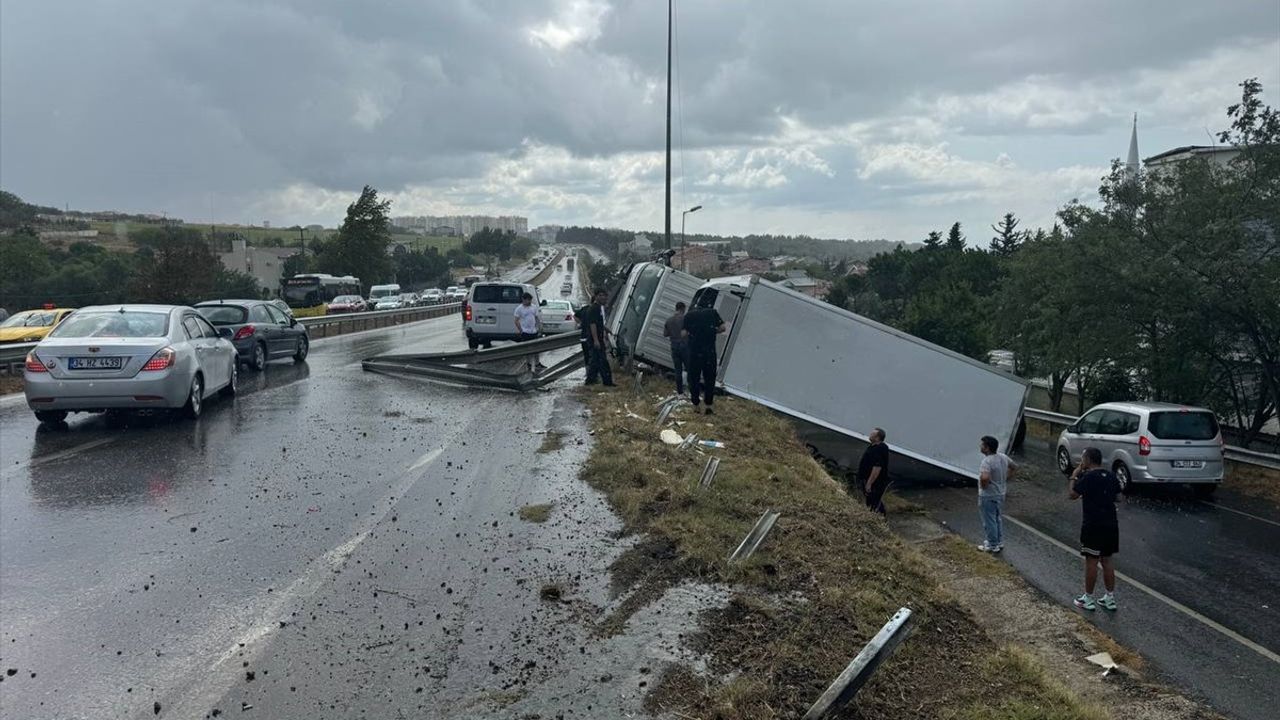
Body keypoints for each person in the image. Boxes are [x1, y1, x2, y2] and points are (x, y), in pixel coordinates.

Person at [1069, 447, 1121, 612]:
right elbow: (1119, 497)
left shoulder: (1087, 476)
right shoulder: (1111, 476)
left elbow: (1072, 494)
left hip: (1093, 525)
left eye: (1083, 458)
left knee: (1091, 560)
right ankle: (1110, 597)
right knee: (1107, 560)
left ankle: (1088, 598)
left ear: (1088, 460)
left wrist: (1074, 475)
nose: (1082, 461)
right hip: (1111, 524)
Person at [681, 294, 725, 414]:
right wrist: (711, 331)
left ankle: (696, 405)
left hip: (694, 352)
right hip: (710, 352)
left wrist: (692, 333)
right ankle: (708, 405)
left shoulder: (689, 315)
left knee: (693, 379)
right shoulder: (712, 312)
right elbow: (723, 328)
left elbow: (683, 334)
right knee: (709, 379)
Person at [977, 435, 1018, 553]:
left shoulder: (987, 461)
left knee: (989, 520)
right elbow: (1014, 467)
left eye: (982, 445)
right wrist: (1005, 478)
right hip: (1000, 493)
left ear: (987, 448)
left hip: (988, 495)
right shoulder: (1003, 457)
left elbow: (984, 478)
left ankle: (992, 544)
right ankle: (999, 541)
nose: (980, 446)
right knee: (996, 518)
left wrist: (983, 487)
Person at [583, 289, 615, 387]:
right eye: (601, 295)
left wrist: (606, 329)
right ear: (596, 296)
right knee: (602, 361)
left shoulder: (599, 308)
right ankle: (607, 382)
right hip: (594, 339)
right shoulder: (594, 309)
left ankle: (590, 380)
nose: (604, 298)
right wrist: (596, 340)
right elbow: (593, 325)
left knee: (595, 361)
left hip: (598, 338)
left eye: (605, 296)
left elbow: (599, 323)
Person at [855, 428, 890, 514]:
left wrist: (869, 483)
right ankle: (878, 517)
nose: (870, 435)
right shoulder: (873, 447)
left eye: (872, 434)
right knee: (872, 500)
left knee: (873, 502)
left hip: (876, 482)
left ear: (877, 438)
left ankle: (879, 518)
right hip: (868, 479)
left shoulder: (879, 449)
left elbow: (877, 468)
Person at [513, 292, 544, 371]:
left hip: (534, 331)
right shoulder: (519, 308)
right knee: (526, 349)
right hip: (525, 332)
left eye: (530, 300)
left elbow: (537, 318)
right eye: (527, 300)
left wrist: (538, 327)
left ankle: (537, 363)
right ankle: (528, 364)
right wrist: (521, 330)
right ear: (523, 300)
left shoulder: (533, 307)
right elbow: (516, 320)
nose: (529, 302)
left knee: (536, 349)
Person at [663, 302, 690, 396]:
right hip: (685, 346)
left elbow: (665, 334)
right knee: (689, 368)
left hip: (674, 346)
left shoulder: (669, 320)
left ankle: (680, 391)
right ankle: (690, 389)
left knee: (678, 370)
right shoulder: (685, 319)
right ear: (683, 309)